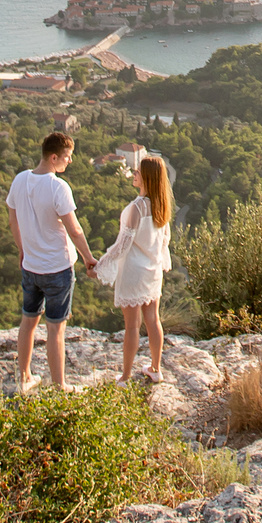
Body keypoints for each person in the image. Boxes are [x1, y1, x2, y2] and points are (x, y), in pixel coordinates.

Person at [6, 131, 96, 393]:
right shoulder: (58, 188)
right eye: (67, 157)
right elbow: (75, 229)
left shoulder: (20, 180)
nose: (70, 162)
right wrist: (88, 258)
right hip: (58, 269)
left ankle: (24, 379)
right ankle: (60, 387)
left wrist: (22, 249)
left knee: (28, 321)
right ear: (54, 157)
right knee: (56, 330)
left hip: (30, 266)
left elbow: (13, 219)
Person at [91, 155, 174, 382]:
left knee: (131, 327)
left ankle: (125, 377)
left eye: (137, 172)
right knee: (153, 320)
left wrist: (99, 266)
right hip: (152, 271)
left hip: (133, 272)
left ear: (145, 177)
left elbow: (121, 247)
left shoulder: (136, 208)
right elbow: (164, 241)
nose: (134, 174)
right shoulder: (162, 207)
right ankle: (156, 369)